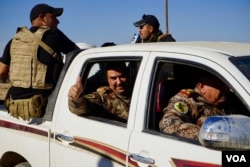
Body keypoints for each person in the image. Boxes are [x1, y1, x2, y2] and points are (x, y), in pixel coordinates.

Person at [0, 3, 79, 120]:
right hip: (42, 107)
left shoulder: (14, 40)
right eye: (54, 17)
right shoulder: (54, 34)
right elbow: (77, 56)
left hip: (15, 107)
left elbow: (2, 72)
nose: (58, 22)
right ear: (42, 18)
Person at [159, 71, 231, 140]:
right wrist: (210, 136)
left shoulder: (228, 100)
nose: (227, 89)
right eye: (221, 85)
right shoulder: (188, 100)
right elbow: (169, 124)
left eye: (227, 85)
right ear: (202, 87)